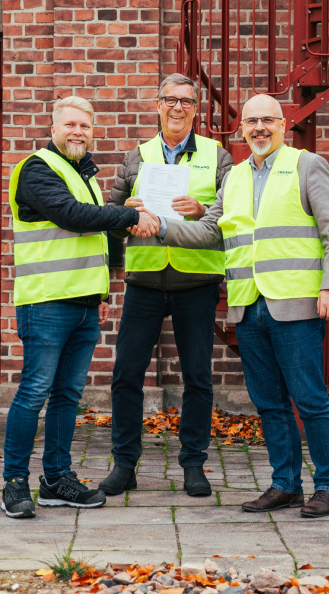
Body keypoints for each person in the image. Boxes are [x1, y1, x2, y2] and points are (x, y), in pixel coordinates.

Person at [137, 92, 329, 518]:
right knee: (269, 402)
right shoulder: (233, 177)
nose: (259, 128)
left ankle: (327, 486)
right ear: (241, 129)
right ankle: (285, 483)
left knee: (309, 400)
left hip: (295, 304)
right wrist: (161, 225)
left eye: (267, 121)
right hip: (248, 306)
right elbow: (208, 233)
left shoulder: (306, 165)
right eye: (251, 122)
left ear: (283, 125)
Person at [1, 95, 160, 519]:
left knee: (67, 396)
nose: (77, 133)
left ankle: (56, 480)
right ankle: (14, 483)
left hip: (85, 304)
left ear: (93, 133)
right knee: (33, 393)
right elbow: (70, 215)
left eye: (85, 127)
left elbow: (95, 234)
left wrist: (104, 293)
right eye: (70, 125)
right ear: (53, 128)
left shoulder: (85, 174)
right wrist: (125, 217)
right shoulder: (36, 168)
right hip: (47, 303)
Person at [99, 74, 234, 498]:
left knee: (197, 377)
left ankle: (194, 464)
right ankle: (125, 464)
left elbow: (227, 218)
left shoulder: (219, 156)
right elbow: (109, 222)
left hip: (197, 281)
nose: (178, 108)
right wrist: (126, 214)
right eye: (170, 100)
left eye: (187, 102)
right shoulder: (135, 157)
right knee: (126, 375)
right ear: (158, 105)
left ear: (197, 110)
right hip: (144, 281)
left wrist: (202, 208)